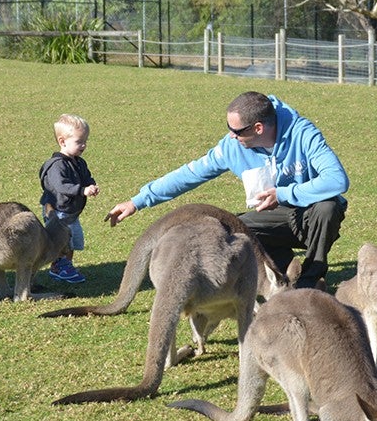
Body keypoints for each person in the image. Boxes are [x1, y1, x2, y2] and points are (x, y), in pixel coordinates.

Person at [105, 91, 348, 289]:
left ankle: (310, 279)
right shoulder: (232, 146)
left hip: (310, 214)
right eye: (228, 128)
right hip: (272, 216)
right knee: (230, 229)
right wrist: (138, 201)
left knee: (328, 207)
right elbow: (189, 174)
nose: (231, 136)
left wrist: (284, 194)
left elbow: (337, 180)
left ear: (258, 128)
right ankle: (279, 271)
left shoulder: (302, 133)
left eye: (237, 131)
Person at [40, 114, 99, 284]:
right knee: (61, 240)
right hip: (58, 212)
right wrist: (82, 190)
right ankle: (58, 266)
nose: (84, 145)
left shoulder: (79, 162)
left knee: (73, 239)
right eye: (79, 142)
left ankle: (67, 265)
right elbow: (62, 187)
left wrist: (91, 185)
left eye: (85, 141)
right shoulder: (57, 165)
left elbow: (86, 176)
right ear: (62, 141)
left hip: (71, 212)